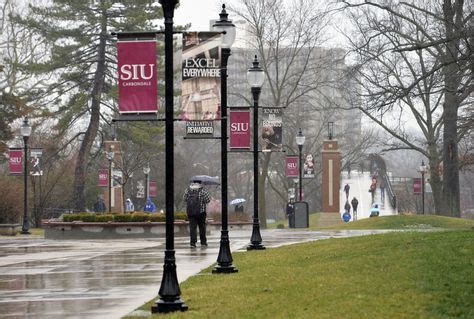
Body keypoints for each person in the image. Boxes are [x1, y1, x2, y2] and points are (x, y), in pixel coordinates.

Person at [183, 181, 211, 248]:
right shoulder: (203, 191)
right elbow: (208, 200)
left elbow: (184, 199)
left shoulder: (188, 190)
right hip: (201, 213)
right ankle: (203, 242)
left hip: (191, 213)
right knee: (202, 228)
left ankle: (193, 243)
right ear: (200, 183)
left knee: (192, 228)